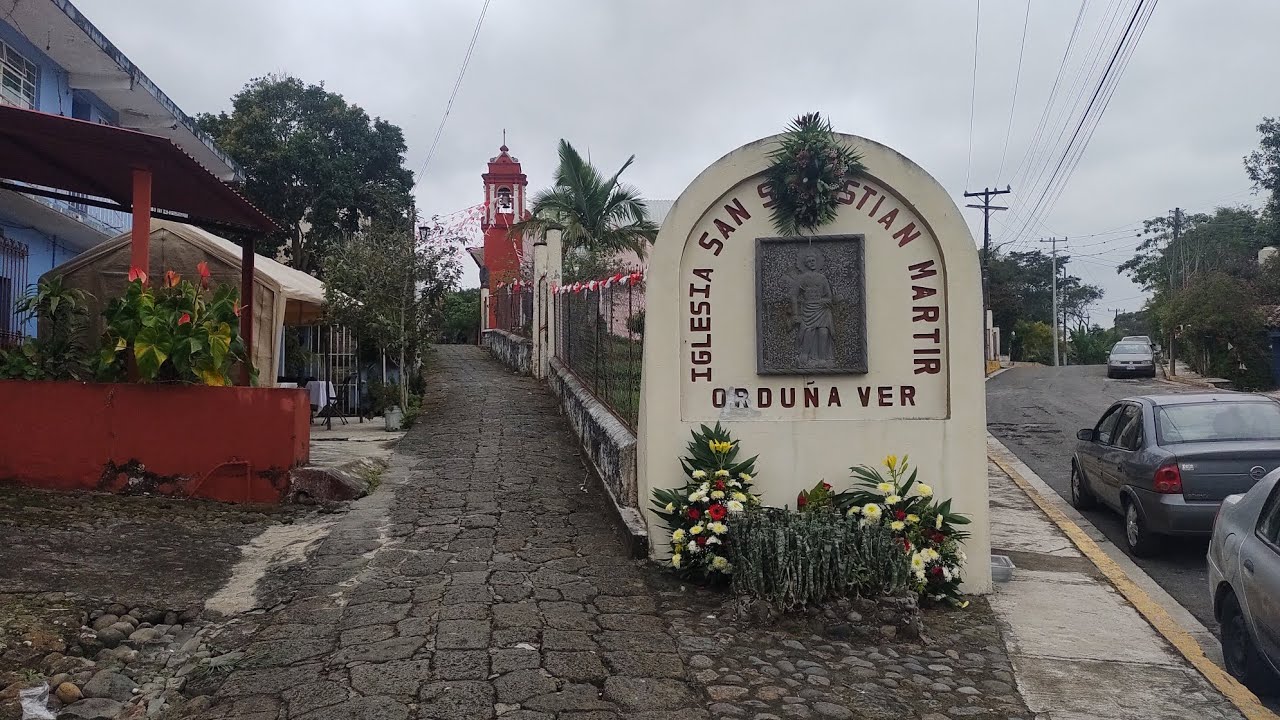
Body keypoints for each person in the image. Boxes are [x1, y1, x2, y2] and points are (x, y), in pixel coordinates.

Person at [790, 248, 836, 368]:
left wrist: (825, 301)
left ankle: (823, 358)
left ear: (817, 262)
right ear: (805, 264)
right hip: (808, 309)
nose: (812, 263)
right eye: (809, 261)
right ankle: (805, 356)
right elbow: (794, 296)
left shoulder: (822, 278)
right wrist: (795, 314)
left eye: (813, 260)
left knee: (823, 331)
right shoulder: (801, 278)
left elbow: (829, 296)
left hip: (821, 309)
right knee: (808, 331)